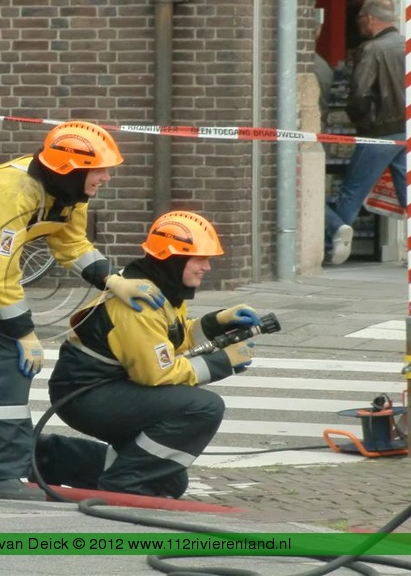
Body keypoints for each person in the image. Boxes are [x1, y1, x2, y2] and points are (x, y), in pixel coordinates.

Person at [0, 120, 166, 500]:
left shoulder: (69, 191)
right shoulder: (14, 191)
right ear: (70, 169)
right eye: (100, 170)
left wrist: (113, 280)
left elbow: (71, 244)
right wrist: (22, 333)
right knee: (8, 359)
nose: (106, 177)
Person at [37, 211, 257, 498]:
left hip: (103, 388)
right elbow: (156, 373)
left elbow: (170, 339)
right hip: (87, 395)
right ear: (173, 258)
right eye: (200, 259)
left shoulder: (161, 288)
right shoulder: (140, 303)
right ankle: (122, 485)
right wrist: (222, 363)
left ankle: (46, 456)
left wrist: (218, 323)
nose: (207, 267)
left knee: (167, 480)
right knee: (204, 407)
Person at [324, 0, 406, 265]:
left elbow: (359, 92)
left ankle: (334, 240)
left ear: (369, 18)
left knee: (353, 190)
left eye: (359, 17)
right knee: (409, 190)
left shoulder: (371, 49)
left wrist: (361, 121)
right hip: (408, 130)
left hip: (379, 131)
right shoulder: (409, 45)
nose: (358, 22)